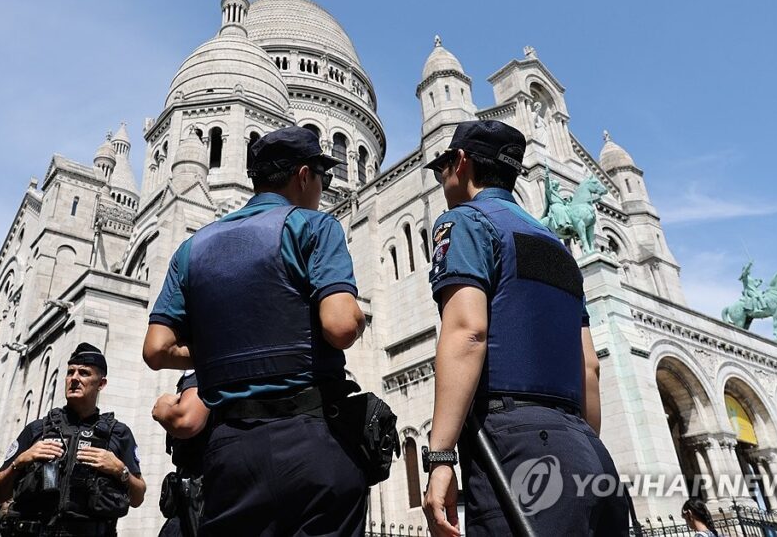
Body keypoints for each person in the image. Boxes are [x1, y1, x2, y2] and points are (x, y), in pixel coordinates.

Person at [144, 125, 369, 537]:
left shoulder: (193, 248)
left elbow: (157, 349)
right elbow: (339, 326)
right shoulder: (315, 227)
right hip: (312, 438)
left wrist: (227, 345)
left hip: (230, 451)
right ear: (304, 175)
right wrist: (356, 318)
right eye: (323, 176)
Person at [420, 120, 627, 537]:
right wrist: (582, 447)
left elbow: (468, 332)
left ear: (461, 162)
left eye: (443, 166)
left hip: (516, 446)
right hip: (589, 450)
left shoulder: (466, 222)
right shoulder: (557, 248)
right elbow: (589, 366)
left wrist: (440, 458)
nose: (442, 177)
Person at [0, 343, 145, 537]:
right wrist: (19, 462)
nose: (74, 378)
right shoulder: (38, 429)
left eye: (84, 373)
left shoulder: (118, 433)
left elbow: (138, 497)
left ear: (101, 384)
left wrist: (120, 470)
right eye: (70, 372)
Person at [153, 370, 210, 537]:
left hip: (200, 491)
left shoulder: (202, 369)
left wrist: (163, 406)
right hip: (189, 492)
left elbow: (184, 420)